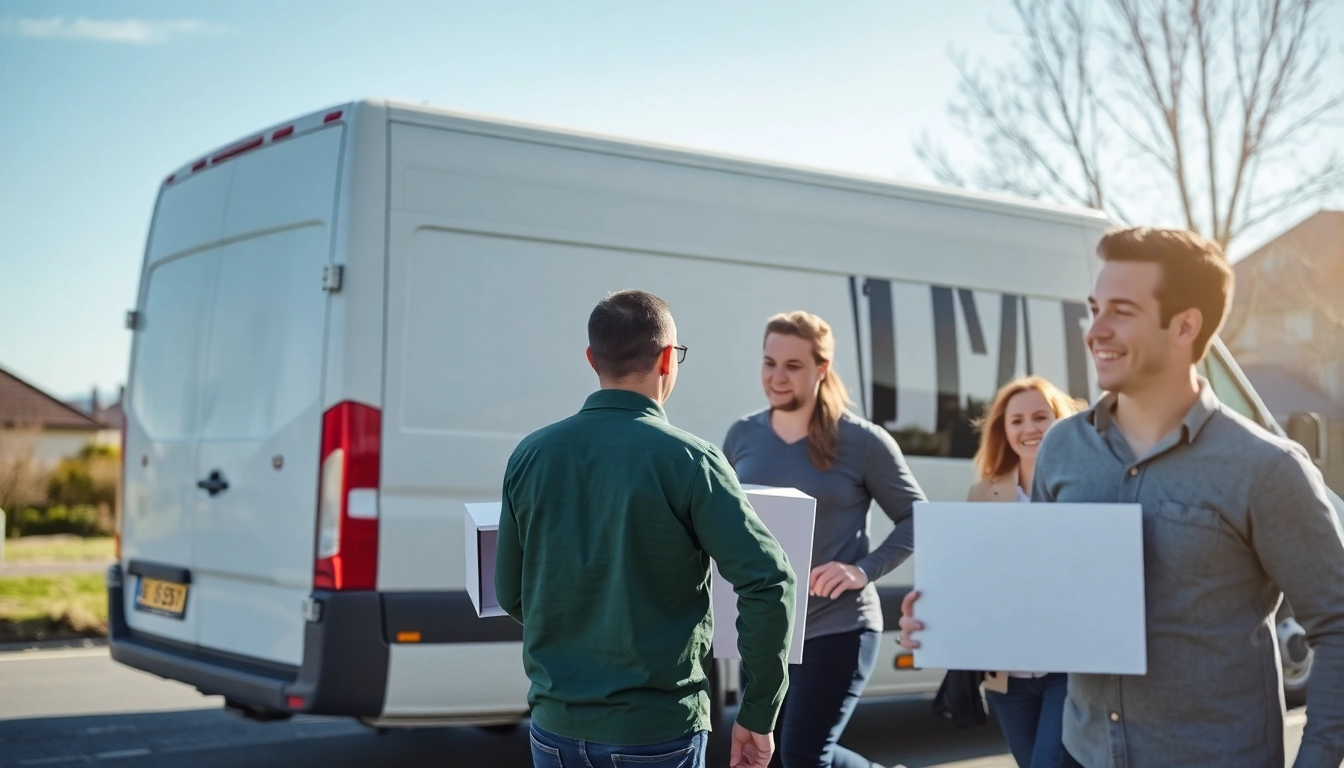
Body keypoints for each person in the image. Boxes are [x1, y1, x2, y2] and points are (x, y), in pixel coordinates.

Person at [900, 228, 1344, 768]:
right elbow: (1043, 591)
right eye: (1095, 308)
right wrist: (954, 616)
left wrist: (1317, 758)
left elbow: (1336, 624)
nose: (1095, 331)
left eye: (1122, 311)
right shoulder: (1064, 448)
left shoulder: (1267, 468)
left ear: (1184, 326)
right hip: (1084, 751)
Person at [496, 290, 797, 768]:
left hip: (554, 729)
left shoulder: (530, 455)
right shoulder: (692, 461)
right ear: (665, 360)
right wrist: (759, 711)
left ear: (593, 358)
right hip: (656, 730)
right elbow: (769, 581)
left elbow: (512, 594)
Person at [723, 310, 925, 768]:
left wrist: (862, 570)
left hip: (839, 625)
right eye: (769, 362)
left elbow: (919, 518)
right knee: (767, 755)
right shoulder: (741, 436)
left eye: (792, 366)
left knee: (802, 757)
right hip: (766, 632)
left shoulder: (862, 441)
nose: (777, 377)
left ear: (821, 369)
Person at [966, 376, 1084, 768]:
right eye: (1016, 420)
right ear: (1004, 429)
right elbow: (967, 576)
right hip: (1007, 675)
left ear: (1060, 421)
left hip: (1066, 668)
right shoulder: (983, 494)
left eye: (1040, 416)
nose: (1028, 428)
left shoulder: (1083, 487)